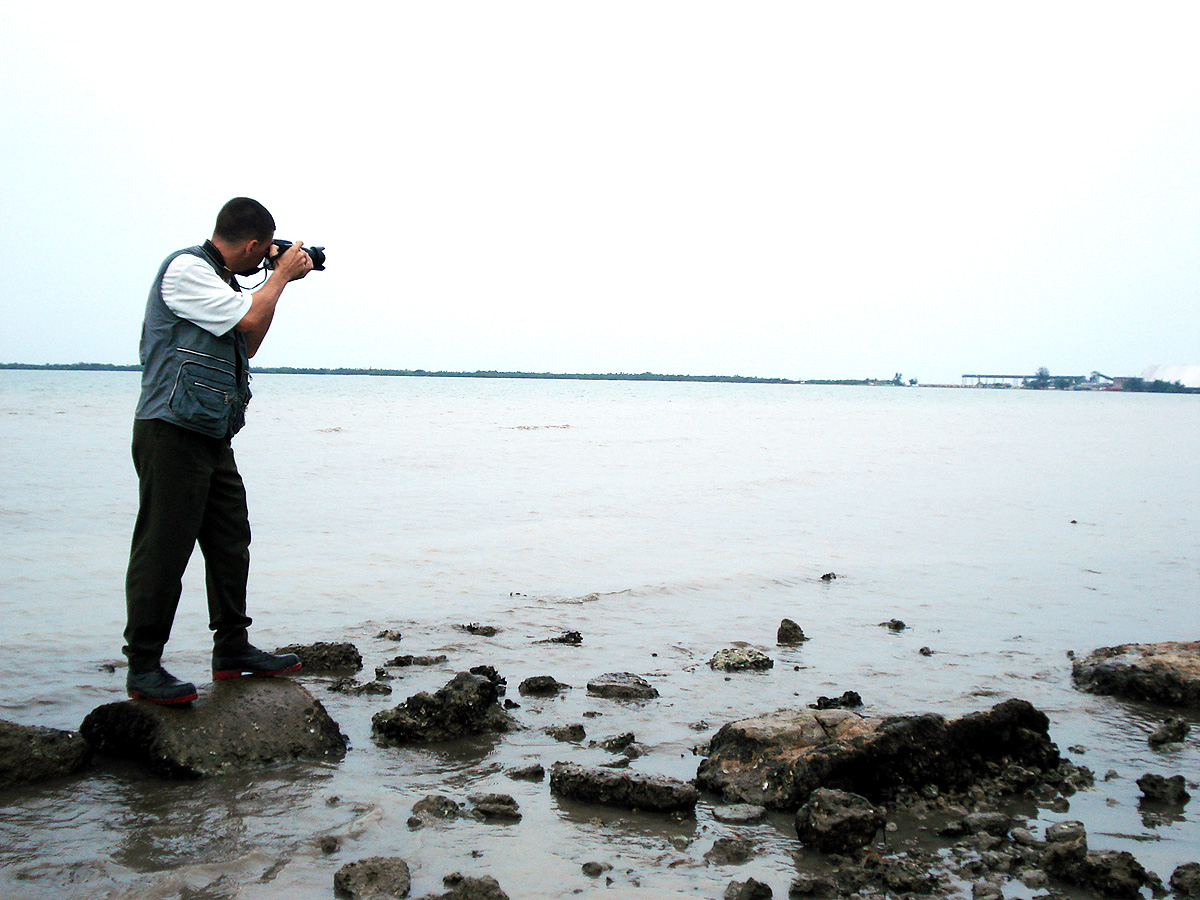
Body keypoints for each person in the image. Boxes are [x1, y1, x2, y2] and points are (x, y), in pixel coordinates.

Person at [123, 197, 313, 705]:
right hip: (170, 429)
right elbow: (250, 322)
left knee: (231, 539)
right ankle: (143, 665)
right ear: (253, 244)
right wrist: (280, 277)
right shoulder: (188, 270)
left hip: (209, 432)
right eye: (263, 252)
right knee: (164, 547)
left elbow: (247, 343)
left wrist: (277, 285)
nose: (265, 261)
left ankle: (231, 648)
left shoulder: (227, 285)